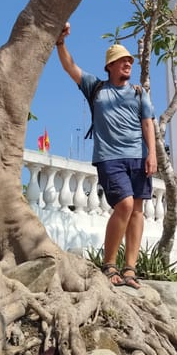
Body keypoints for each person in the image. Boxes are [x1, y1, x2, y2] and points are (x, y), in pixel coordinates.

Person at [56, 23, 157, 289]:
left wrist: (153, 155)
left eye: (129, 61)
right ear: (109, 65)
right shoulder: (96, 87)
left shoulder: (138, 92)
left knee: (137, 211)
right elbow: (70, 68)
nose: (127, 64)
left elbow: (148, 123)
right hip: (109, 156)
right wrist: (60, 43)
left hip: (139, 156)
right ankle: (109, 263)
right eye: (121, 61)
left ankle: (130, 269)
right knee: (123, 205)